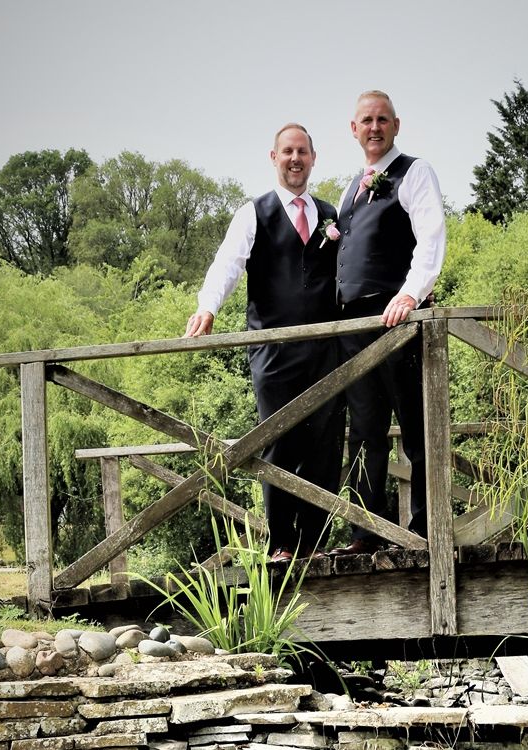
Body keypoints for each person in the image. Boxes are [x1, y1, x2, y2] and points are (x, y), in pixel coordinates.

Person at [185, 123, 344, 563]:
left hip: (326, 350)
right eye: (287, 152)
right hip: (273, 351)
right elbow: (227, 265)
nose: (295, 159)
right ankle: (280, 543)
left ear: (314, 158)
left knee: (325, 444)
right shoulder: (254, 212)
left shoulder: (331, 213)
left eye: (303, 152)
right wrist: (207, 307)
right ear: (273, 158)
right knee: (278, 442)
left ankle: (314, 543)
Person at [331, 91, 447, 555]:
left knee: (416, 424)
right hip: (351, 328)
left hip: (397, 318)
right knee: (363, 432)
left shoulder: (415, 172)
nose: (374, 127)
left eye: (382, 119)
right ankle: (366, 532)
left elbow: (431, 237)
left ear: (396, 125)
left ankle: (422, 530)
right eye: (366, 120)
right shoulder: (350, 188)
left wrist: (409, 294)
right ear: (353, 129)